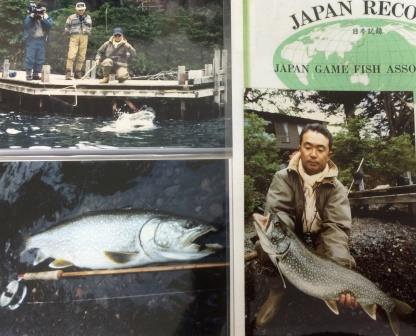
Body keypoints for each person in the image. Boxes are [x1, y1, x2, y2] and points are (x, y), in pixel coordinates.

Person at [255, 123, 357, 328]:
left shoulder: (337, 189)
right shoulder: (282, 177)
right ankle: (277, 290)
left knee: (347, 263)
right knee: (263, 247)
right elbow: (279, 212)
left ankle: (329, 292)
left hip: (321, 237)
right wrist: (280, 237)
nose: (313, 154)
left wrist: (338, 271)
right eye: (308, 147)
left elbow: (336, 229)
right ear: (299, 148)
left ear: (329, 153)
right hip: (292, 234)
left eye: (320, 149)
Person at [23, 3, 53, 80]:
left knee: (40, 58)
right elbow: (26, 25)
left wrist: (42, 19)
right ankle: (28, 73)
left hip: (41, 40)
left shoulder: (46, 17)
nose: (40, 12)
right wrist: (32, 17)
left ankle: (36, 73)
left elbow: (49, 26)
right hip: (31, 40)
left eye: (43, 10)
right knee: (30, 57)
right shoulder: (30, 16)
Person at [64, 2, 92, 80]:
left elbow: (90, 27)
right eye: (79, 10)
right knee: (71, 54)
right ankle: (68, 72)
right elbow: (66, 27)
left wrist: (87, 31)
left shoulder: (88, 17)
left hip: (84, 36)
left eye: (82, 10)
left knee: (82, 55)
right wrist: (69, 33)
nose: (81, 11)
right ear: (76, 10)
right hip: (74, 36)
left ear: (84, 9)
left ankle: (78, 72)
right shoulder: (71, 17)